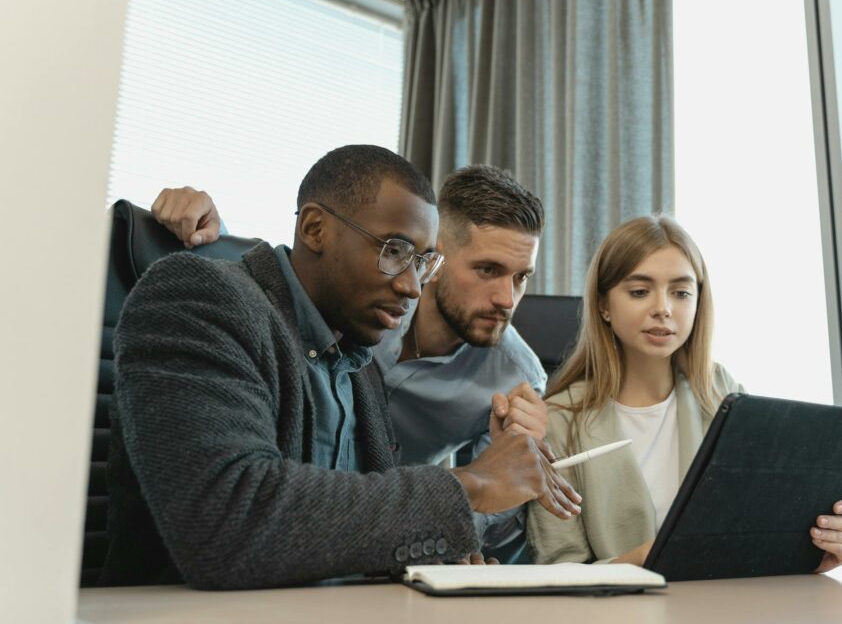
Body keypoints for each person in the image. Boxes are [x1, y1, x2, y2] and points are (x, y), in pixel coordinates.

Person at [102, 145, 580, 590]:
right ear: (314, 229)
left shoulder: (355, 361)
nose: (414, 288)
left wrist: (438, 561)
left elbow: (346, 518)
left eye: (421, 262)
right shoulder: (197, 296)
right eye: (394, 251)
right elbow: (229, 521)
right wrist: (470, 483)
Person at [526, 214, 842, 571]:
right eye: (639, 291)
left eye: (681, 293)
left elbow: (751, 535)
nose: (663, 309)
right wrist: (644, 558)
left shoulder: (723, 395)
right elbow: (557, 570)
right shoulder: (559, 421)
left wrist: (810, 552)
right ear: (603, 305)